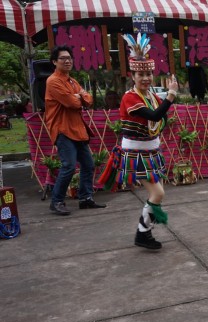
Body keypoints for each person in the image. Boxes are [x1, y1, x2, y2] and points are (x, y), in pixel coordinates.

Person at [98, 33, 178, 249]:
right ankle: (142, 233)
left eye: (149, 73)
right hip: (137, 153)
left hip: (150, 150)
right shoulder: (130, 97)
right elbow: (154, 116)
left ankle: (145, 233)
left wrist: (165, 101)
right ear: (132, 75)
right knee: (158, 193)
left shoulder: (150, 95)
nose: (145, 78)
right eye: (140, 74)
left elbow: (160, 118)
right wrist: (170, 96)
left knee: (158, 194)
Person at [45, 45, 106, 216]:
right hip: (62, 129)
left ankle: (85, 198)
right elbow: (72, 103)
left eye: (69, 58)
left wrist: (80, 96)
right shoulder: (53, 81)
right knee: (69, 166)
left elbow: (88, 100)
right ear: (54, 62)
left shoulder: (72, 81)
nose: (67, 61)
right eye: (63, 58)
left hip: (77, 129)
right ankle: (56, 201)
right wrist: (78, 96)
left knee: (88, 164)